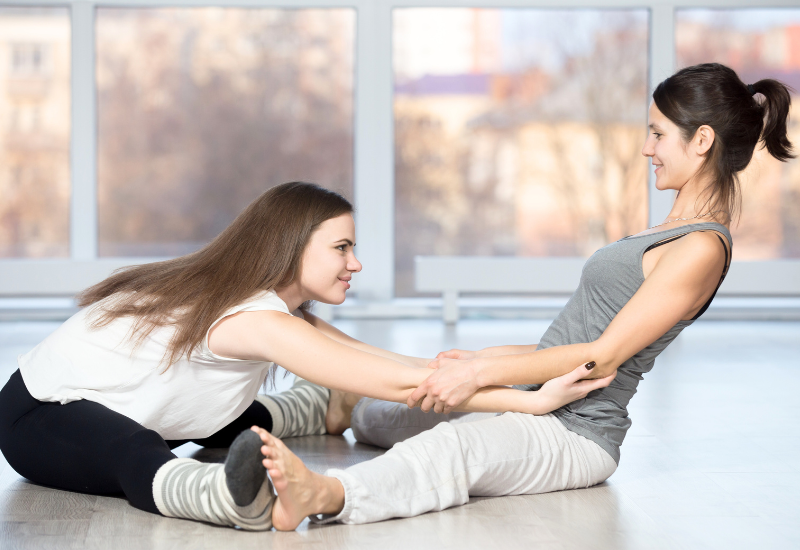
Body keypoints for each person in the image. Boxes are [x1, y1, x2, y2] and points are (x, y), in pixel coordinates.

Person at [250, 62, 795, 530]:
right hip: (536, 385)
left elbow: (601, 356)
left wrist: (483, 376)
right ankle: (338, 408)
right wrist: (488, 360)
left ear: (700, 140)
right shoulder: (669, 229)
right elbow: (577, 332)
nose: (647, 147)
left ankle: (324, 495)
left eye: (657, 134)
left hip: (576, 432)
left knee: (451, 447)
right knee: (403, 411)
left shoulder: (701, 247)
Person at [0, 182, 606, 531]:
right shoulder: (254, 320)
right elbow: (402, 385)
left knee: (238, 418)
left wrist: (524, 395)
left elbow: (393, 367)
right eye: (341, 247)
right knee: (132, 451)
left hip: (151, 406)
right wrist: (532, 400)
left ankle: (318, 406)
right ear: (292, 250)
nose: (356, 262)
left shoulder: (279, 313)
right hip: (40, 416)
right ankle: (229, 499)